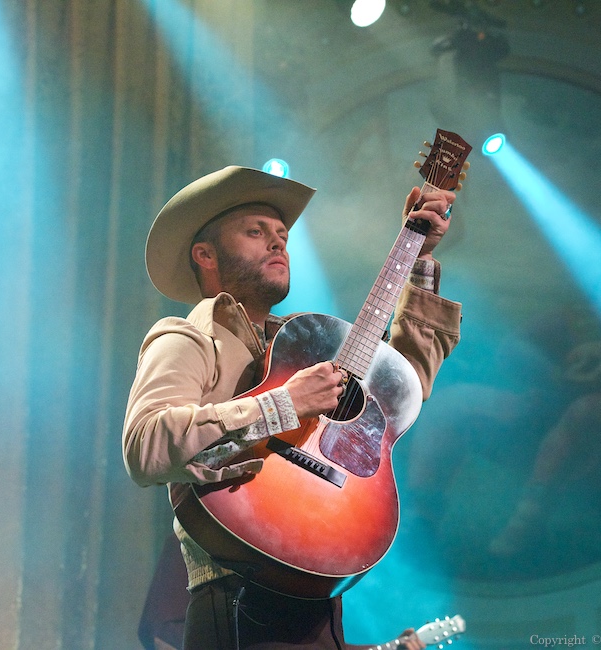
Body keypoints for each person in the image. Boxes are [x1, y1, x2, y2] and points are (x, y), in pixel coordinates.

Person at [123, 165, 462, 649]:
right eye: (255, 232)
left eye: (282, 235)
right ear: (205, 255)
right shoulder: (187, 338)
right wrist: (284, 402)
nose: (277, 243)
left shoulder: (306, 345)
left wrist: (419, 261)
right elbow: (146, 445)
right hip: (237, 596)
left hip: (320, 601)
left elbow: (398, 390)